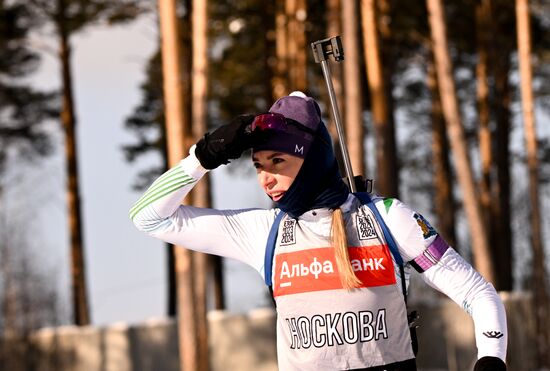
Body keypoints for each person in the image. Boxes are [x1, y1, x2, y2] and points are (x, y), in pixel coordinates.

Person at [130, 92, 507, 370]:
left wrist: (491, 359)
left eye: (278, 161)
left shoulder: (386, 218)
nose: (266, 178)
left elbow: (475, 291)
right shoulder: (265, 231)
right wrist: (203, 157)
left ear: (311, 160)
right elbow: (147, 216)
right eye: (259, 164)